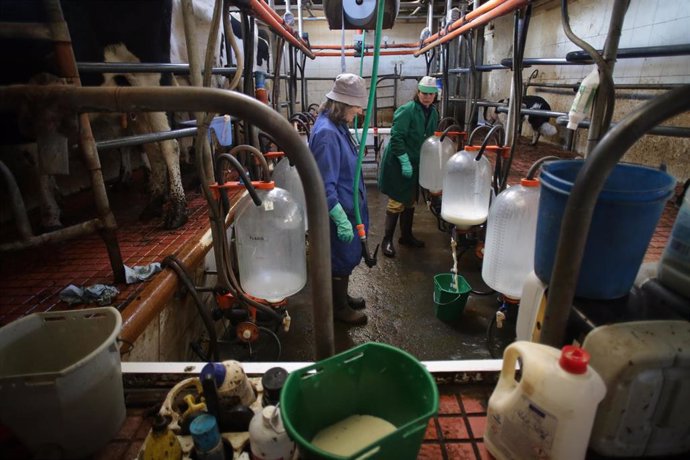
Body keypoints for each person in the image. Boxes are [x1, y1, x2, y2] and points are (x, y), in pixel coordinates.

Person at [309, 73, 370, 325]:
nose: (358, 112)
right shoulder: (327, 134)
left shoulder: (337, 126)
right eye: (355, 108)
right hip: (338, 213)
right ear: (341, 105)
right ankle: (338, 310)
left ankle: (341, 298)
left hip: (349, 205)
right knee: (339, 259)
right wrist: (340, 219)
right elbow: (324, 185)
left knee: (345, 259)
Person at [378, 76, 439, 258]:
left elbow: (429, 139)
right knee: (396, 201)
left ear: (435, 95)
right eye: (423, 93)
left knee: (411, 200)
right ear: (417, 92)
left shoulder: (433, 112)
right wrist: (404, 160)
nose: (427, 97)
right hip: (399, 162)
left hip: (416, 162)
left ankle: (406, 236)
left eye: (430, 94)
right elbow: (396, 138)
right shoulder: (407, 111)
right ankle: (386, 240)